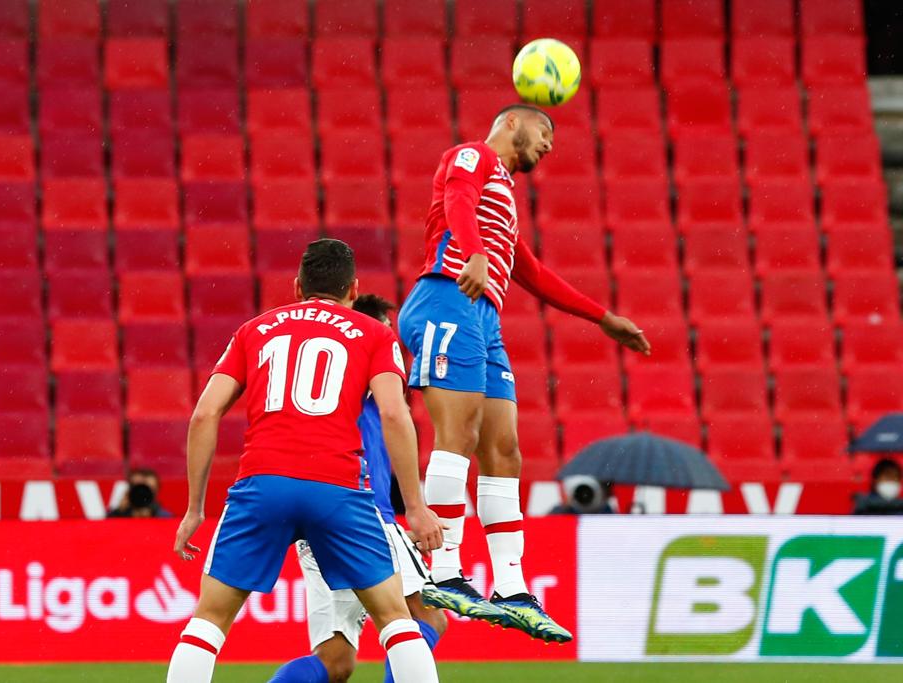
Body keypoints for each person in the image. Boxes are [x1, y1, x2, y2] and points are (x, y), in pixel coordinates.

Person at [397, 104, 651, 642]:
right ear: (512, 122)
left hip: (481, 315)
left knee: (505, 448)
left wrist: (602, 319)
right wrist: (473, 254)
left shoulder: (506, 199)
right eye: (545, 130)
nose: (549, 144)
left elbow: (530, 271)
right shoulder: (474, 155)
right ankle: (442, 571)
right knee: (458, 435)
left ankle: (510, 587)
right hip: (446, 297)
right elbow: (456, 200)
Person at [166, 240, 443, 683]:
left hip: (263, 482)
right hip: (337, 486)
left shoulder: (254, 330)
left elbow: (204, 413)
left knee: (208, 622)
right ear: (353, 290)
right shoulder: (374, 334)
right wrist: (415, 505)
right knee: (397, 620)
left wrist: (195, 508)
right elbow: (394, 413)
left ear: (297, 287)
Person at [269, 295, 448, 683]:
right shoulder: (367, 365)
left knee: (336, 662)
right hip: (365, 515)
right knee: (425, 617)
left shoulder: (321, 381)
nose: (391, 342)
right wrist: (414, 510)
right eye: (384, 329)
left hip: (318, 518)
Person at [107, 468, 172, 518]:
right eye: (139, 488)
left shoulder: (165, 517)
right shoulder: (120, 513)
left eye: (150, 488)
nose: (142, 493)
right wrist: (119, 511)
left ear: (157, 490)